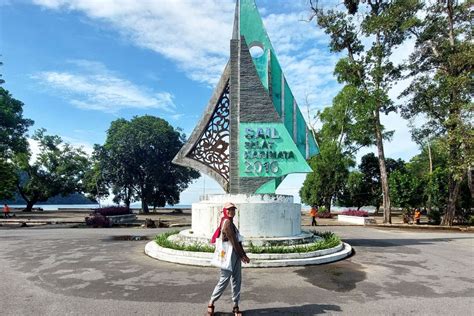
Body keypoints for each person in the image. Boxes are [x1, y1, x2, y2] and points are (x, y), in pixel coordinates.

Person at [207, 202, 250, 316]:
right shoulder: (226, 223)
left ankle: (235, 306)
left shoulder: (231, 223)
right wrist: (243, 256)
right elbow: (234, 242)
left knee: (237, 280)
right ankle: (211, 303)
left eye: (233, 209)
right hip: (228, 256)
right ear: (225, 211)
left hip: (235, 255)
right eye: (230, 209)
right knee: (224, 280)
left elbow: (238, 241)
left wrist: (242, 254)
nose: (232, 211)